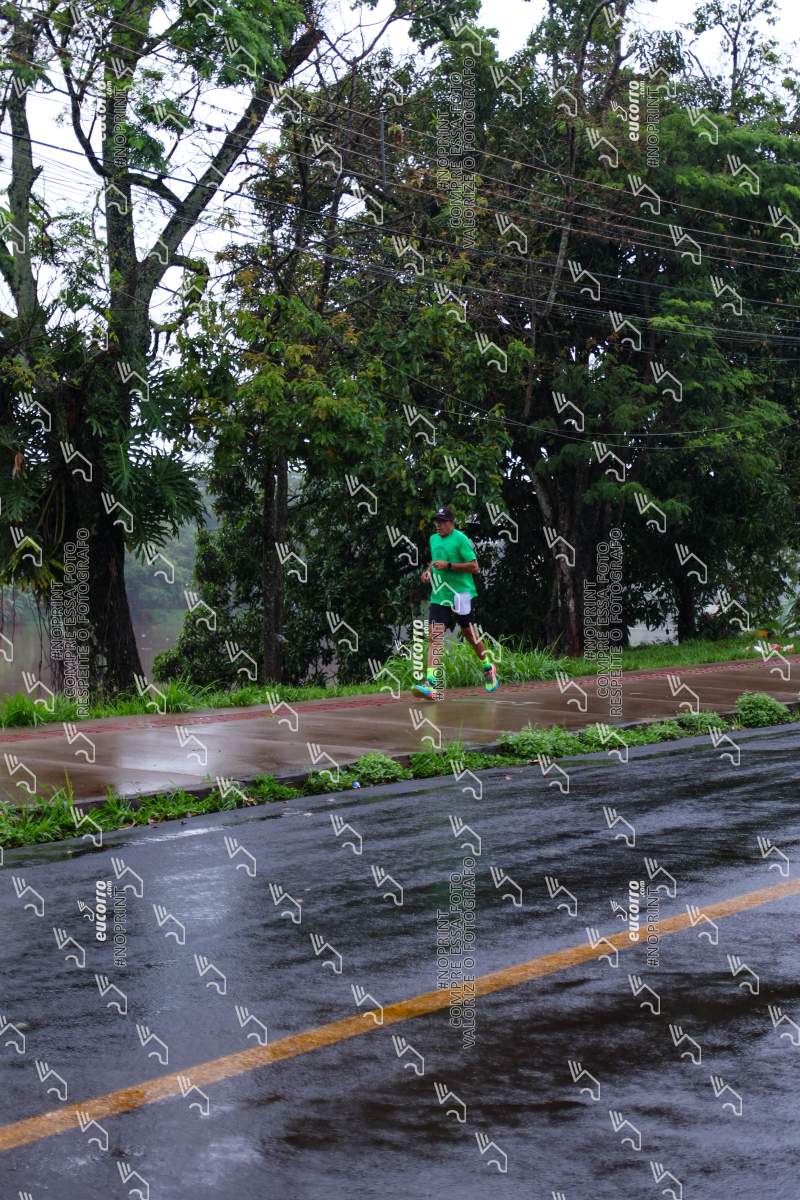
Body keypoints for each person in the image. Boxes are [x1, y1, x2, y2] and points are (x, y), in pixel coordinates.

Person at [411, 505, 499, 700]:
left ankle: (488, 666)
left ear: (451, 523)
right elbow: (435, 560)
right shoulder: (433, 539)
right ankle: (431, 684)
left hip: (461, 594)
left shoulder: (461, 539)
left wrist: (449, 565)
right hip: (440, 595)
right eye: (436, 521)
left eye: (442, 522)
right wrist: (428, 572)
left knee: (469, 633)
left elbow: (475, 567)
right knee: (435, 636)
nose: (438, 525)